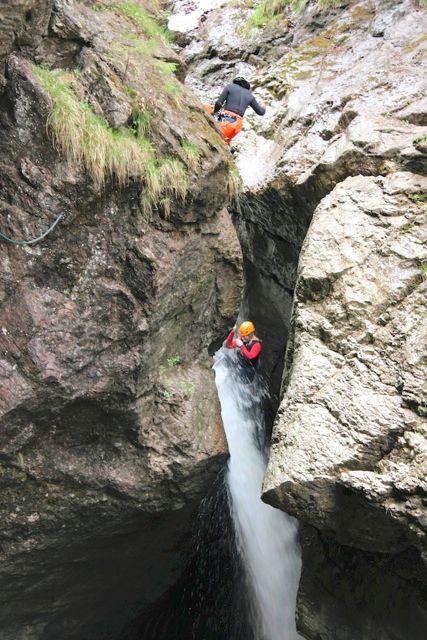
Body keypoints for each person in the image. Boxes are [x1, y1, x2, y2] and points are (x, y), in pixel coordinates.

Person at [206, 77, 266, 144]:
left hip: (227, 118)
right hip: (238, 124)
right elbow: (261, 112)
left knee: (207, 108)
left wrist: (214, 112)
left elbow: (219, 103)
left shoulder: (230, 87)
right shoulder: (250, 96)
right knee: (224, 142)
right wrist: (263, 106)